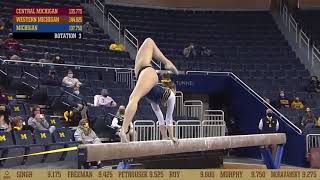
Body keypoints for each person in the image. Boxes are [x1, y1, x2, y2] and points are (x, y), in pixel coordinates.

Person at [118, 38, 178, 143]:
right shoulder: (169, 97)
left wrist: (168, 137)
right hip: (147, 73)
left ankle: (124, 130)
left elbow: (164, 119)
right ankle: (167, 62)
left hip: (146, 72)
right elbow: (167, 119)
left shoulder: (154, 101)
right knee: (149, 42)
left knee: (133, 98)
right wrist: (169, 137)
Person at [149, 72, 177, 141]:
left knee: (161, 118)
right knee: (168, 117)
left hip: (153, 97)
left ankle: (165, 136)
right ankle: (170, 137)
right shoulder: (170, 89)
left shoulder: (166, 87)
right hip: (161, 96)